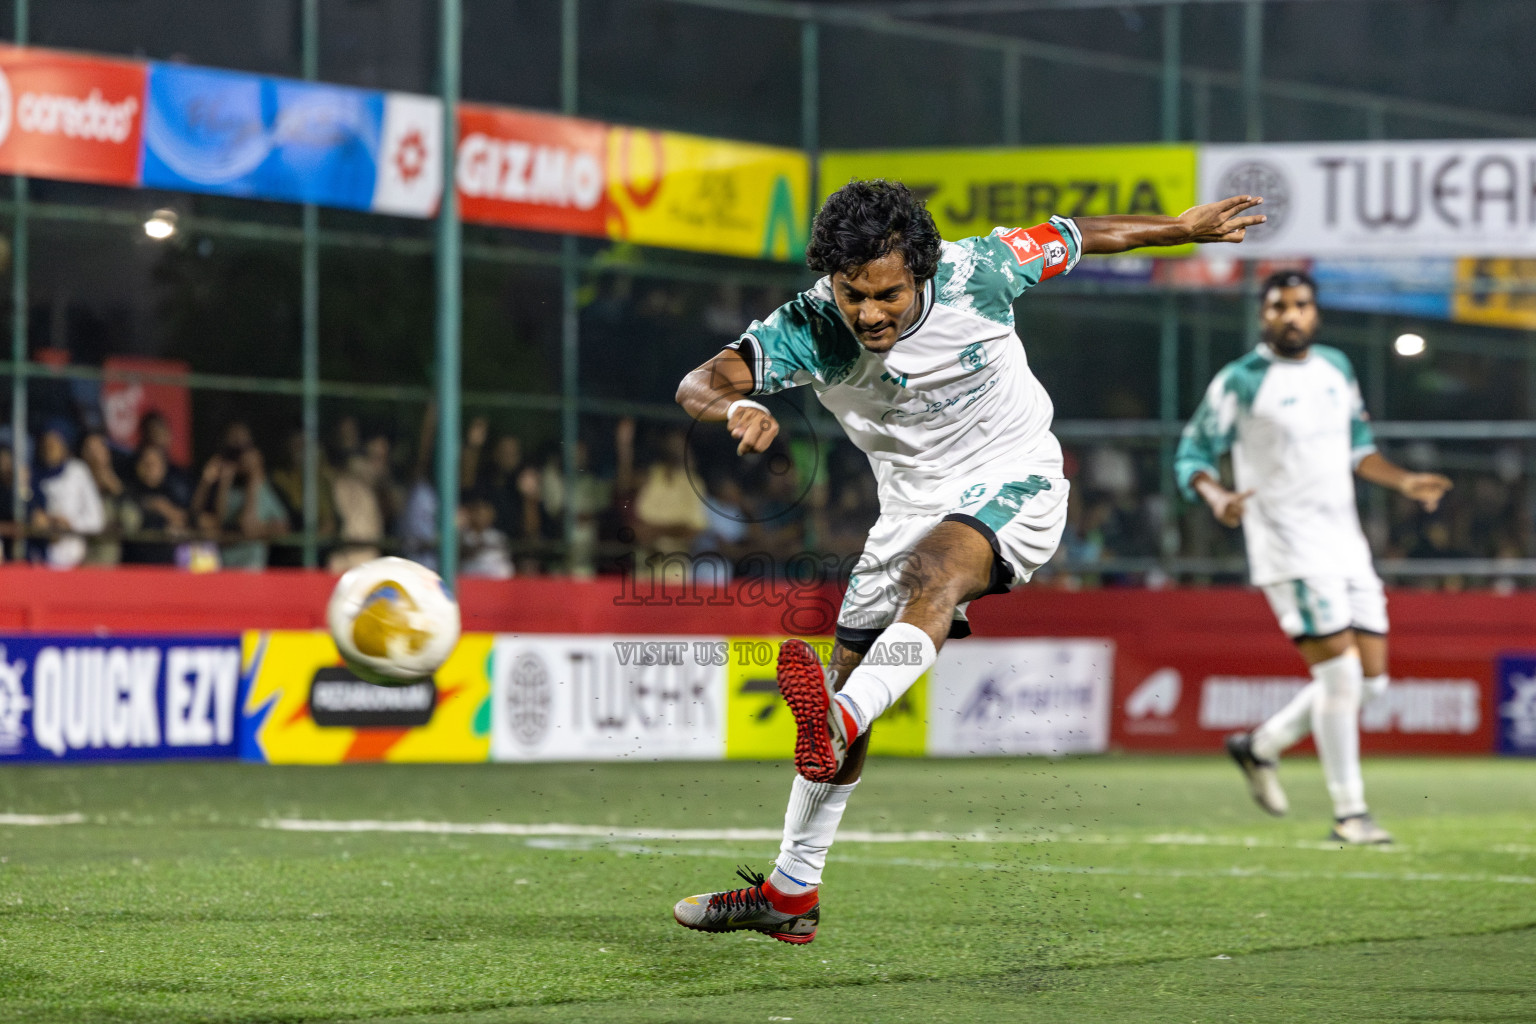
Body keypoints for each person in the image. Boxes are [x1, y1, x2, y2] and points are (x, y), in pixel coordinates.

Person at [669, 178, 1266, 943]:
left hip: (1015, 473)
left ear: (922, 269)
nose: (871, 313)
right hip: (907, 507)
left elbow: (1081, 234)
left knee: (931, 582)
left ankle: (837, 719)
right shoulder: (810, 325)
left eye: (887, 293)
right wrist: (738, 405)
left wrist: (1179, 229)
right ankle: (792, 890)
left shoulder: (979, 270)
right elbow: (699, 381)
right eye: (855, 295)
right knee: (852, 672)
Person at [1176, 270, 1452, 845]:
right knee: (1342, 677)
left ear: (1315, 313)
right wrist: (1216, 493)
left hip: (1346, 545)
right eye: (1279, 306)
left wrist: (1404, 483)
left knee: (1370, 683)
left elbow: (1360, 448)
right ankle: (1350, 814)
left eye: (1301, 305)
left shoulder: (1336, 367)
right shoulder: (1241, 380)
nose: (1292, 315)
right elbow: (1194, 450)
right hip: (1288, 547)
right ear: (1263, 315)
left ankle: (1261, 745)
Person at [29, 422, 106, 569]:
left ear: (64, 445)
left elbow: (97, 520)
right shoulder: (30, 475)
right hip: (38, 559)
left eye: (54, 443)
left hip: (74, 560)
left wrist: (70, 524)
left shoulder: (77, 471)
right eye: (45, 443)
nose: (49, 448)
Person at [122, 444, 190, 565]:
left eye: (154, 463)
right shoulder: (128, 492)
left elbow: (185, 520)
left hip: (168, 565)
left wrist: (166, 510)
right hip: (135, 564)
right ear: (138, 466)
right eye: (146, 463)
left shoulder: (173, 492)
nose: (150, 468)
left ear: (163, 467)